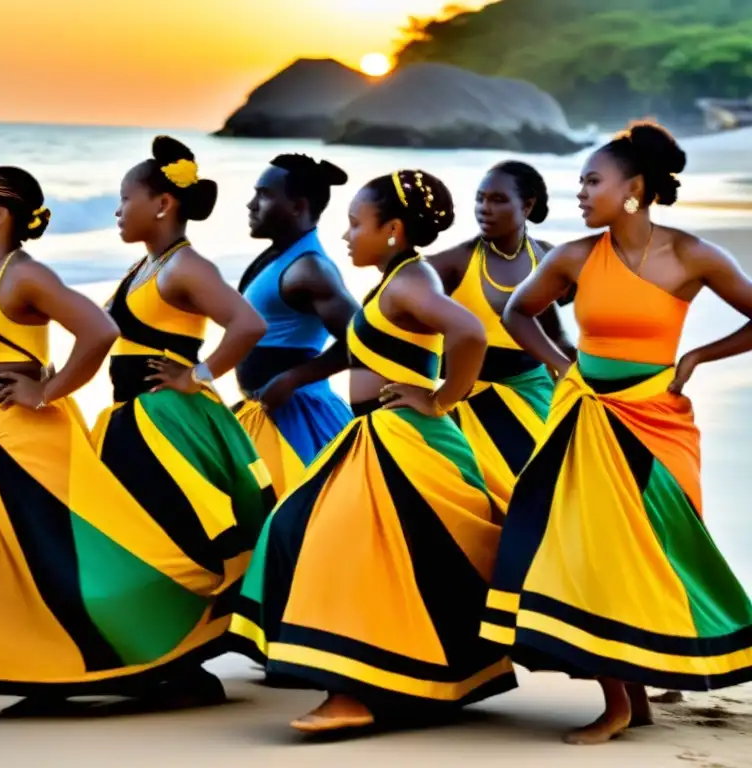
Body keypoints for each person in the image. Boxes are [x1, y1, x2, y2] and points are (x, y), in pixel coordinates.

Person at [478, 121, 752, 745]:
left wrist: (698, 358)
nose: (579, 192)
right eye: (579, 181)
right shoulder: (575, 256)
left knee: (655, 552)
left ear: (634, 188)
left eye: (591, 181)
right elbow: (517, 311)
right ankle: (618, 702)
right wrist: (558, 364)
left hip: (658, 422)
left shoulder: (692, 254)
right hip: (586, 419)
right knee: (596, 554)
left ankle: (645, 687)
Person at [230, 169, 515, 733]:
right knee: (299, 531)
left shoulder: (413, 281)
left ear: (393, 229)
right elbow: (365, 349)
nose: (346, 236)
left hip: (405, 438)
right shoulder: (394, 280)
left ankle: (351, 693)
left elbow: (470, 333)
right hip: (374, 435)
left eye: (357, 224)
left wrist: (438, 399)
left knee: (338, 548)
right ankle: (373, 677)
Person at [0, 167, 157, 713]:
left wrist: (46, 391)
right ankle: (38, 673)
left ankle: (125, 669)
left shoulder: (25, 276)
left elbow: (100, 331)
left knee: (32, 562)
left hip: (22, 438)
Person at [87, 135, 273, 705]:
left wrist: (198, 375)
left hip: (166, 423)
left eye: (126, 198)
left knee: (174, 540)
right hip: (131, 420)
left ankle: (187, 662)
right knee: (140, 539)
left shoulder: (186, 267)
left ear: (163, 204)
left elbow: (247, 324)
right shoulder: (148, 265)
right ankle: (160, 654)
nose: (117, 210)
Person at [430, 161, 574, 506]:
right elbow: (391, 324)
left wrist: (594, 382)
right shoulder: (451, 264)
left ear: (526, 206)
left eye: (497, 200)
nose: (484, 209)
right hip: (467, 399)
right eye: (480, 199)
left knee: (559, 494)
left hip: (534, 394)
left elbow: (554, 335)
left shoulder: (548, 258)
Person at [233, 154, 359, 497]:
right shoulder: (277, 256)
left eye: (264, 194)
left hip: (300, 420)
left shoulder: (311, 269)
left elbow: (364, 339)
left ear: (297, 206)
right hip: (266, 416)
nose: (251, 204)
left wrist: (292, 379)